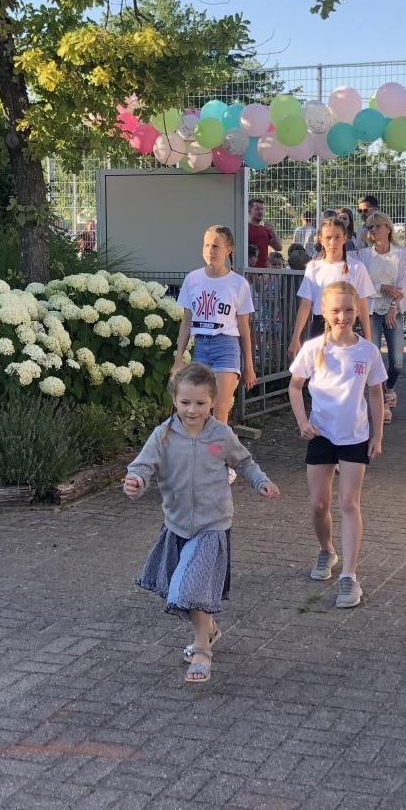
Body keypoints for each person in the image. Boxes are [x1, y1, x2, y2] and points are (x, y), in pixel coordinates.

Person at [127, 363, 279, 683]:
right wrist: (136, 481)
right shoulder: (164, 435)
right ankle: (207, 628)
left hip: (213, 525)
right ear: (174, 400)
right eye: (185, 402)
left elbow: (244, 462)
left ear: (213, 402)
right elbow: (142, 466)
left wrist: (260, 481)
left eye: (200, 403)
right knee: (182, 589)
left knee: (192, 585)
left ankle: (201, 650)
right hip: (178, 525)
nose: (191, 410)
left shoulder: (221, 434)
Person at [289, 281, 386, 609]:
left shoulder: (368, 351)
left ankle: (349, 577)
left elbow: (375, 393)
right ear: (323, 312)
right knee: (319, 504)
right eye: (335, 310)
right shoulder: (313, 348)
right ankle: (326, 551)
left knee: (348, 503)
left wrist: (377, 435)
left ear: (357, 311)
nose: (342, 316)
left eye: (348, 310)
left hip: (354, 437)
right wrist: (302, 422)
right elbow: (295, 387)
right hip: (320, 435)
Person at [173, 225, 257, 424]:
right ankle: (200, 444)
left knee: (219, 412)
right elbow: (186, 322)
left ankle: (219, 445)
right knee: (198, 409)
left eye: (216, 246)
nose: (210, 251)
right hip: (200, 346)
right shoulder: (192, 279)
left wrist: (248, 365)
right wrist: (178, 360)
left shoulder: (238, 283)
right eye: (206, 245)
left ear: (228, 249)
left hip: (225, 346)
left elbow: (244, 328)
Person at [287, 215, 377, 358]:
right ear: (320, 240)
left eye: (337, 237)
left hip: (346, 326)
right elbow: (305, 305)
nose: (332, 242)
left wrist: (368, 341)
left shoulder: (357, 267)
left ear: (344, 238)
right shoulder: (313, 268)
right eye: (328, 238)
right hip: (319, 327)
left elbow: (362, 307)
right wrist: (295, 337)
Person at [360, 212, 406, 422]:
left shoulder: (401, 252)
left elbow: (402, 283)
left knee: (397, 362)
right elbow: (362, 285)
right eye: (370, 227)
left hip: (393, 309)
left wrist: (393, 307)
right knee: (374, 357)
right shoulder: (364, 255)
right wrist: (382, 287)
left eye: (377, 226)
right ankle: (382, 403)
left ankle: (390, 387)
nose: (373, 230)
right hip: (371, 310)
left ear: (388, 228)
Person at [245, 199, 282, 269]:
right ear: (249, 212)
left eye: (262, 209)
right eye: (257, 209)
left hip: (264, 270)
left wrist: (273, 232)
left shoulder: (265, 229)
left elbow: (279, 247)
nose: (260, 212)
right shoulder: (245, 229)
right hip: (251, 271)